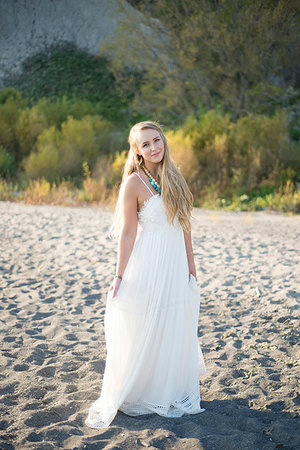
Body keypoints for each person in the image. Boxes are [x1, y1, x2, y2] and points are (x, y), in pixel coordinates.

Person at [85, 121, 206, 429]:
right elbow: (127, 233)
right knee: (144, 322)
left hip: (175, 263)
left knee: (173, 321)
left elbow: (185, 223)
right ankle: (143, 390)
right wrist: (119, 276)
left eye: (157, 140)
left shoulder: (173, 177)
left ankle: (169, 389)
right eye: (146, 144)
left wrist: (191, 264)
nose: (154, 148)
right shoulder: (133, 184)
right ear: (137, 152)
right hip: (148, 263)